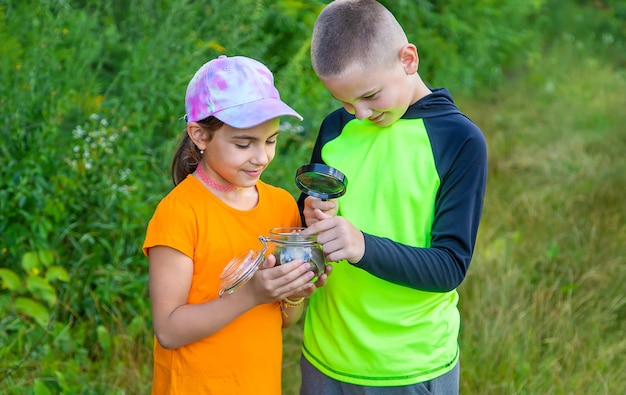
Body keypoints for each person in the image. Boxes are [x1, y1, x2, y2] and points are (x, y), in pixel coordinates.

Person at [297, 1, 488, 394]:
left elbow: (450, 266)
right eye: (346, 102)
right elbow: (315, 224)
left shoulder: (459, 141)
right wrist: (311, 216)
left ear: (408, 59)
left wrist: (362, 246)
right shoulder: (336, 128)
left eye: (370, 95)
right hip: (323, 356)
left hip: (409, 368)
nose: (360, 114)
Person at [143, 55, 328, 394]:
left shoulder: (281, 204)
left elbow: (284, 320)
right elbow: (168, 331)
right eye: (244, 144)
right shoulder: (180, 213)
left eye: (270, 140)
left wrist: (294, 293)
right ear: (199, 135)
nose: (261, 157)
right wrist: (252, 294)